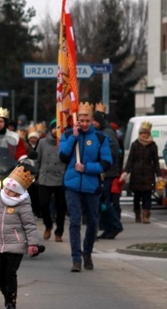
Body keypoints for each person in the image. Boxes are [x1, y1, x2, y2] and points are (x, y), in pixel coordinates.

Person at [58, 102, 112, 272]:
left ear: (92, 120)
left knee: (93, 222)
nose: (84, 123)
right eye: (81, 120)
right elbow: (63, 156)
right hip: (72, 185)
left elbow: (106, 163)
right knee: (74, 222)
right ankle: (76, 259)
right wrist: (73, 137)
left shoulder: (101, 138)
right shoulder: (68, 135)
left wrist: (87, 168)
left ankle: (87, 252)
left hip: (91, 186)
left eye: (87, 120)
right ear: (77, 120)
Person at [0, 165, 41, 309]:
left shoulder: (23, 205)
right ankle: (6, 296)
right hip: (1, 244)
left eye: (13, 191)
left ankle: (11, 302)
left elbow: (30, 225)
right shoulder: (1, 200)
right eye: (8, 189)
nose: (9, 193)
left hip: (17, 244)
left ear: (19, 192)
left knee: (10, 272)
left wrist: (32, 244)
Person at [93, 109, 123, 239]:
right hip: (101, 171)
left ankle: (115, 225)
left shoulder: (107, 132)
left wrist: (100, 156)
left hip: (107, 172)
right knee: (100, 201)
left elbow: (114, 151)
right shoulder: (100, 131)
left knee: (104, 201)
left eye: (93, 121)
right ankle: (108, 228)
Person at [123, 120, 160, 224]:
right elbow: (130, 159)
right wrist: (126, 172)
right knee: (137, 196)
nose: (144, 135)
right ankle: (137, 214)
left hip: (148, 174)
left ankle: (146, 216)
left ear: (149, 134)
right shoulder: (135, 144)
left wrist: (159, 175)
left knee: (147, 196)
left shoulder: (153, 145)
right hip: (136, 174)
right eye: (142, 133)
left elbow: (156, 161)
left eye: (146, 133)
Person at [37, 120, 67, 242]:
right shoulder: (42, 142)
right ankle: (48, 225)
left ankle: (59, 231)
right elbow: (37, 159)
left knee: (61, 207)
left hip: (61, 177)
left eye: (58, 128)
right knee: (43, 204)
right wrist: (35, 173)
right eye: (54, 128)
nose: (56, 130)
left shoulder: (65, 142)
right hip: (45, 177)